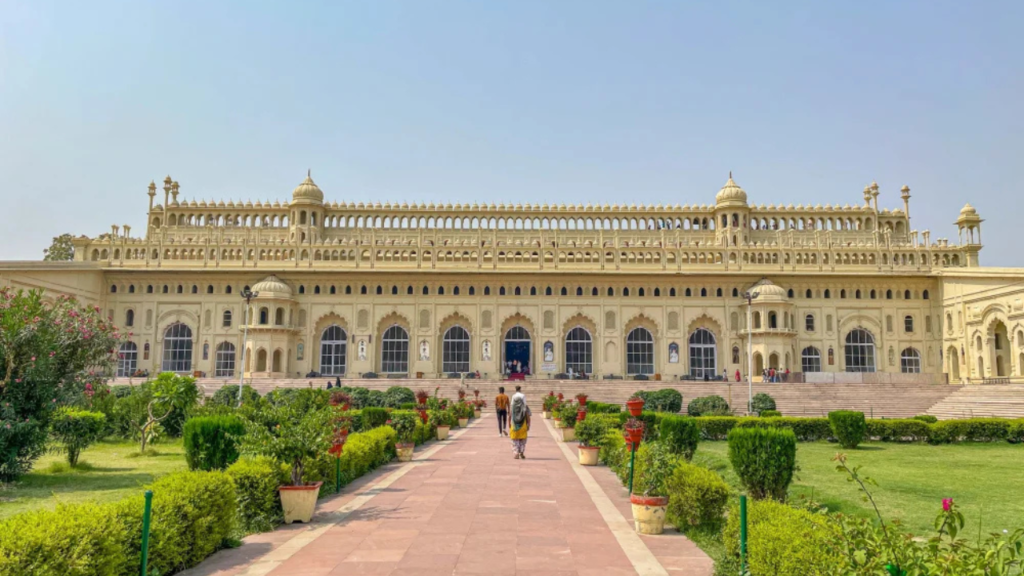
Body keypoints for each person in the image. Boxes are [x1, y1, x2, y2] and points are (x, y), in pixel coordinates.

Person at [509, 385, 531, 459]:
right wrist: (528, 425)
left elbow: (510, 415)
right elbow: (528, 417)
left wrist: (509, 423)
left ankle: (516, 453)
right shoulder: (524, 407)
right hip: (523, 424)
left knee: (515, 440)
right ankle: (521, 451)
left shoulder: (513, 399)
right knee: (522, 439)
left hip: (514, 425)